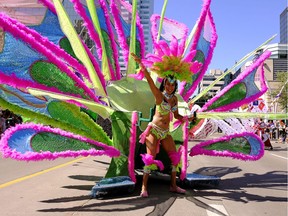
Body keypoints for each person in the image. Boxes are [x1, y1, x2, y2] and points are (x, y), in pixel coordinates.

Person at [131, 53, 195, 198]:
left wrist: (187, 118)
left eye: (173, 85)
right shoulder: (159, 96)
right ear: (164, 84)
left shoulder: (174, 100)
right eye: (168, 84)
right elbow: (149, 81)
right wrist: (141, 64)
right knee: (149, 158)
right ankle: (144, 188)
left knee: (175, 158)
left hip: (166, 132)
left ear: (175, 86)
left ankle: (173, 185)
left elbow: (176, 116)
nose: (170, 87)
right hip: (154, 130)